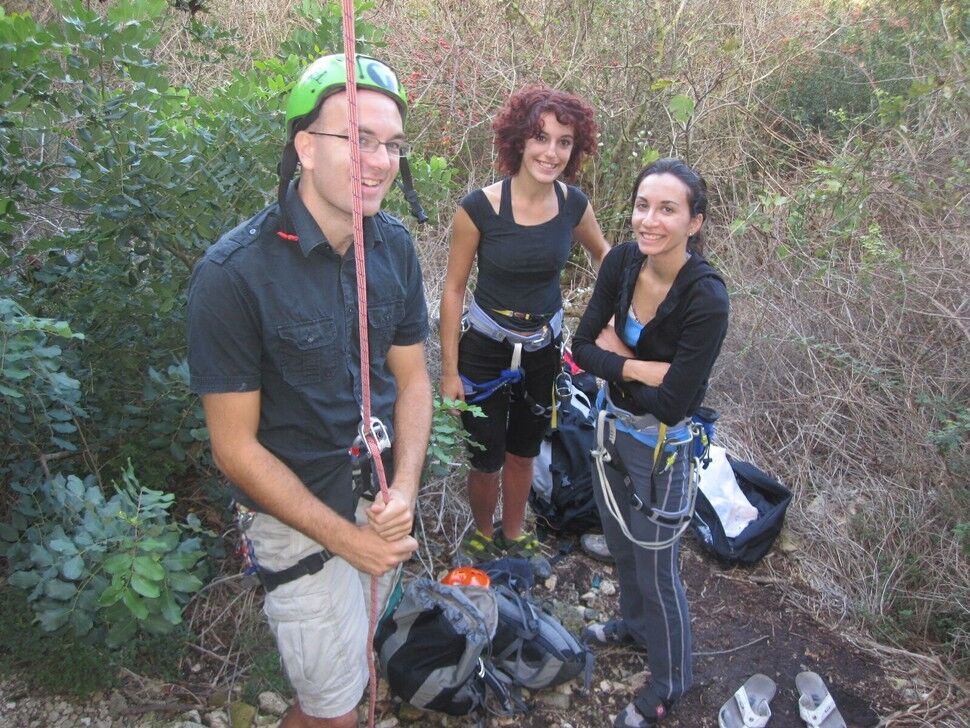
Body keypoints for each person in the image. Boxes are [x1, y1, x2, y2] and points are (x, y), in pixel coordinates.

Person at [186, 54, 432, 728]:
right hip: (296, 514)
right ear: (304, 146)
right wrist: (345, 541)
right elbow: (235, 450)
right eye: (359, 140)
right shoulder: (234, 275)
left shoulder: (394, 249)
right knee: (335, 710)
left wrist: (404, 490)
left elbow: (412, 382)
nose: (380, 161)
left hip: (377, 501)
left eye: (392, 144)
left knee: (351, 673)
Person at [572, 158, 729, 727]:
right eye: (643, 205)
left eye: (668, 209)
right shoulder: (620, 261)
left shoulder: (705, 297)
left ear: (695, 222)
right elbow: (580, 348)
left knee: (659, 568)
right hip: (611, 428)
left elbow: (675, 402)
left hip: (665, 447)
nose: (650, 219)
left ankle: (670, 681)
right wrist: (643, 368)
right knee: (620, 544)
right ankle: (635, 630)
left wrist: (618, 360)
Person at [438, 84, 610, 560]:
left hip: (543, 350)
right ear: (518, 140)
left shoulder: (574, 205)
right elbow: (453, 289)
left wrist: (617, 312)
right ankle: (481, 531)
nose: (551, 151)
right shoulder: (478, 209)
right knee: (485, 456)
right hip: (485, 348)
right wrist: (449, 372)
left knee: (523, 451)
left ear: (575, 150)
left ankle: (513, 533)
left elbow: (605, 257)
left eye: (563, 141)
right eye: (541, 137)